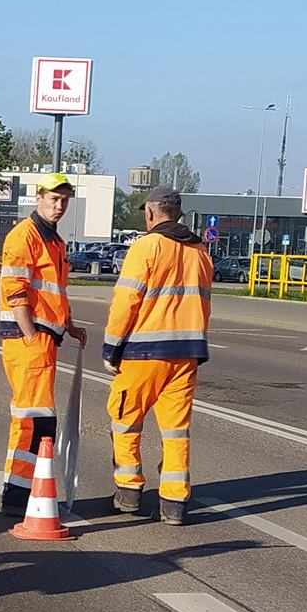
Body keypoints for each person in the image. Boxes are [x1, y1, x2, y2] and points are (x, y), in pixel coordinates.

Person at [100, 186, 213, 525]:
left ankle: (128, 493)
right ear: (177, 213)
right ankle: (174, 504)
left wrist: (111, 347)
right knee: (176, 430)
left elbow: (126, 303)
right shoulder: (200, 251)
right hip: (187, 354)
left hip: (143, 353)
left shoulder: (145, 247)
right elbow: (203, 304)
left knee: (125, 419)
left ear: (150, 213)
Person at [0, 172, 86, 516]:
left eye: (64, 200)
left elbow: (54, 293)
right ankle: (17, 497)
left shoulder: (55, 241)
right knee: (34, 418)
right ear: (39, 198)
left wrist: (71, 326)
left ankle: (26, 491)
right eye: (53, 198)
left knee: (37, 418)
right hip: (28, 340)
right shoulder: (25, 236)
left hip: (44, 339)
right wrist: (31, 334)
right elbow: (15, 290)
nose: (59, 205)